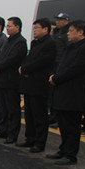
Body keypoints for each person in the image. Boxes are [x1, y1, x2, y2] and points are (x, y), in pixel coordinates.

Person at [46, 20, 85, 165]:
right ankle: (63, 150)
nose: (68, 34)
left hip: (73, 92)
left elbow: (75, 69)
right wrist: (54, 75)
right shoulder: (71, 47)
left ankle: (70, 154)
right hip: (62, 90)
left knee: (72, 126)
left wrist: (57, 78)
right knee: (63, 124)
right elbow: (61, 65)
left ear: (81, 32)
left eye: (71, 31)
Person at [17, 18, 56, 153]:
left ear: (46, 29)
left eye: (37, 28)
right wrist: (24, 68)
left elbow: (42, 62)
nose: (34, 31)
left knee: (39, 115)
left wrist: (27, 69)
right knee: (29, 114)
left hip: (39, 84)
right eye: (34, 29)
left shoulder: (50, 44)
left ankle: (39, 143)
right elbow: (28, 60)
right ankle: (30, 138)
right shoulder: (35, 43)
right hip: (29, 83)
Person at [0, 17, 27, 144]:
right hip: (2, 79)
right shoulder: (8, 41)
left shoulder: (20, 42)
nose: (7, 28)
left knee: (12, 109)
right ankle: (3, 130)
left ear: (17, 27)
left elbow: (12, 59)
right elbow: (0, 56)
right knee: (4, 107)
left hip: (11, 80)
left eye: (10, 26)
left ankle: (12, 133)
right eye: (7, 26)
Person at [48, 13, 70, 124]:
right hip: (54, 63)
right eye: (57, 19)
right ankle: (53, 115)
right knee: (52, 92)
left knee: (58, 93)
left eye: (61, 20)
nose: (58, 22)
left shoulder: (67, 33)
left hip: (61, 64)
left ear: (66, 21)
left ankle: (56, 116)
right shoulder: (57, 32)